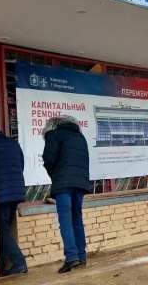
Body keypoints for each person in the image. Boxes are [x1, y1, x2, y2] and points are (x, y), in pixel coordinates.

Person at [42, 115, 91, 274]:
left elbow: (48, 159)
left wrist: (54, 174)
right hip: (80, 182)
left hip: (63, 182)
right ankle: (81, 256)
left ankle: (71, 256)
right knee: (77, 218)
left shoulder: (53, 135)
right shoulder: (80, 137)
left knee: (65, 218)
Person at [0, 129, 28, 277]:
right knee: (4, 228)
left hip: (2, 193)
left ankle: (19, 263)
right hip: (16, 191)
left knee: (2, 229)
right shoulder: (13, 143)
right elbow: (21, 165)